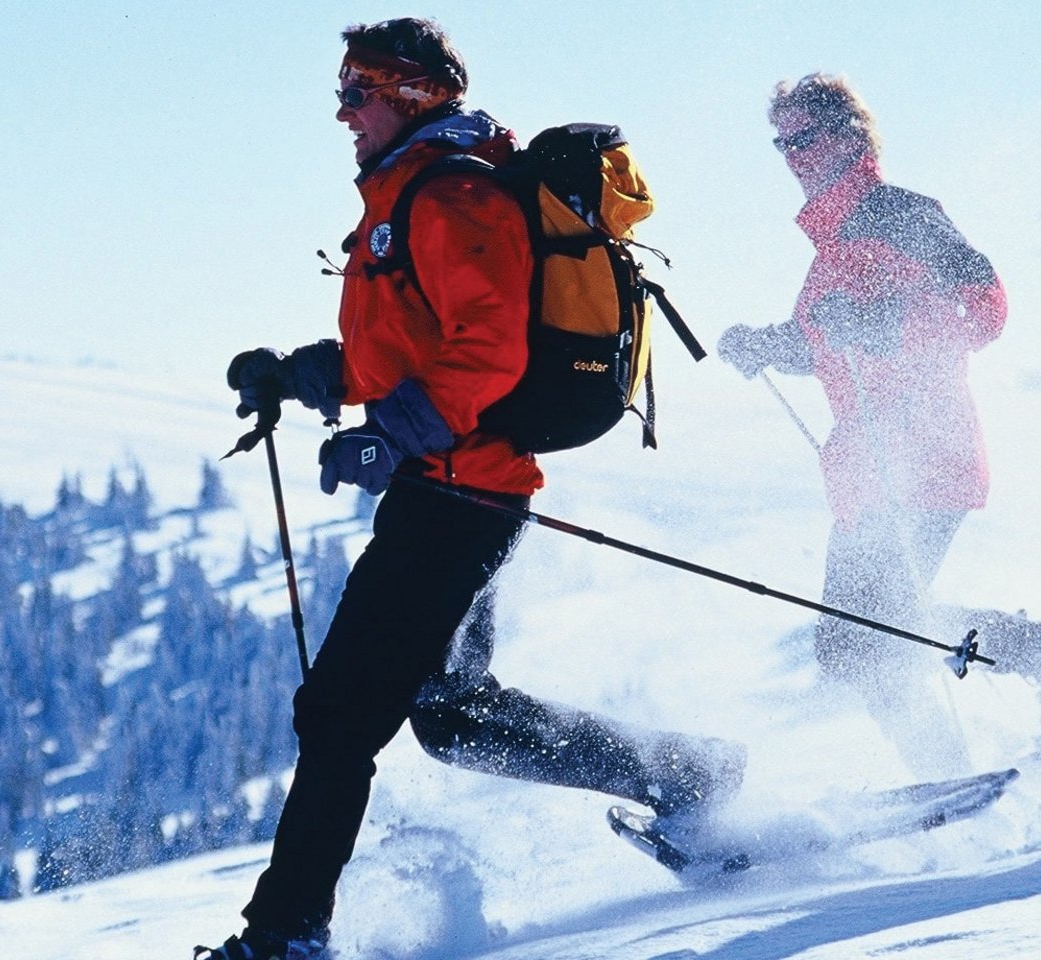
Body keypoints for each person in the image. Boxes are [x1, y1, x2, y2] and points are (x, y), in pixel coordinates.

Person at [206, 18, 742, 960]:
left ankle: (284, 936)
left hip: (461, 496)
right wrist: (294, 375)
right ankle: (689, 774)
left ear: (413, 95)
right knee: (452, 718)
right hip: (452, 489)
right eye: (343, 89)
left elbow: (487, 350)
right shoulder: (407, 196)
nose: (343, 111)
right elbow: (401, 350)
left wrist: (391, 441)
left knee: (339, 718)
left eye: (359, 90)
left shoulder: (451, 195)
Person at [715, 74, 1009, 780]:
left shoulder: (899, 214)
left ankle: (951, 775)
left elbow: (985, 308)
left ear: (849, 135)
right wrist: (767, 345)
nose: (792, 154)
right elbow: (827, 339)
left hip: (926, 458)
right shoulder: (832, 246)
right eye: (781, 142)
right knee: (851, 647)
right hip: (868, 473)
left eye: (805, 137)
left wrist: (880, 326)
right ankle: (1040, 657)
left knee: (874, 641)